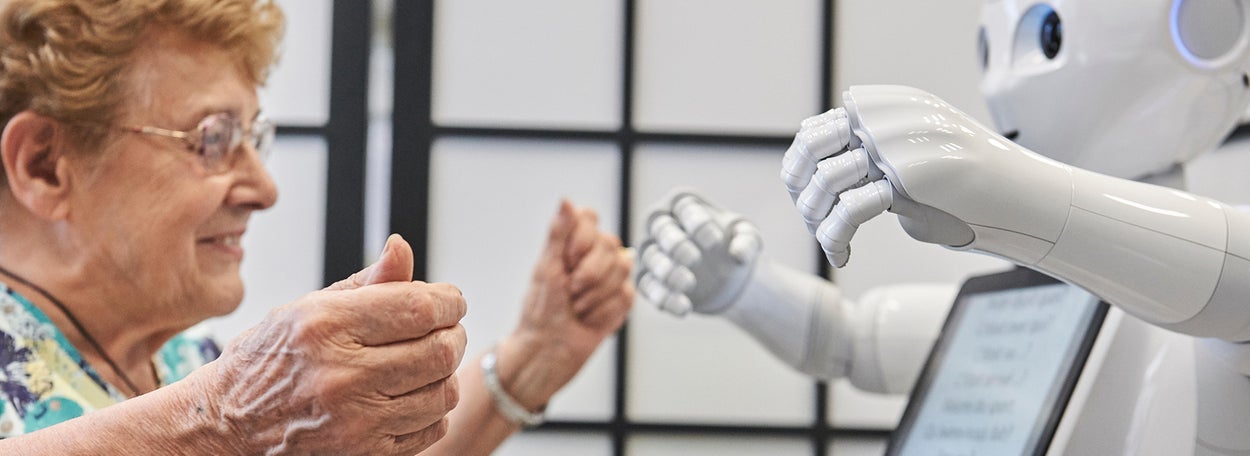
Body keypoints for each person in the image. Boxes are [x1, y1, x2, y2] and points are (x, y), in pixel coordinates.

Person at [0, 0, 633, 454]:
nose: (264, 189)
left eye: (253, 138)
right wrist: (221, 421)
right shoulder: (210, 399)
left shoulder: (178, 362)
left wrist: (530, 361)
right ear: (45, 165)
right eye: (212, 138)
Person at [637, 0, 1250, 452]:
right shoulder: (1033, 305)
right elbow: (851, 340)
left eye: (1048, 35)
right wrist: (747, 291)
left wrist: (1008, 188)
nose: (1000, 84)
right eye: (988, 52)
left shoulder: (1209, 292)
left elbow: (1233, 286)